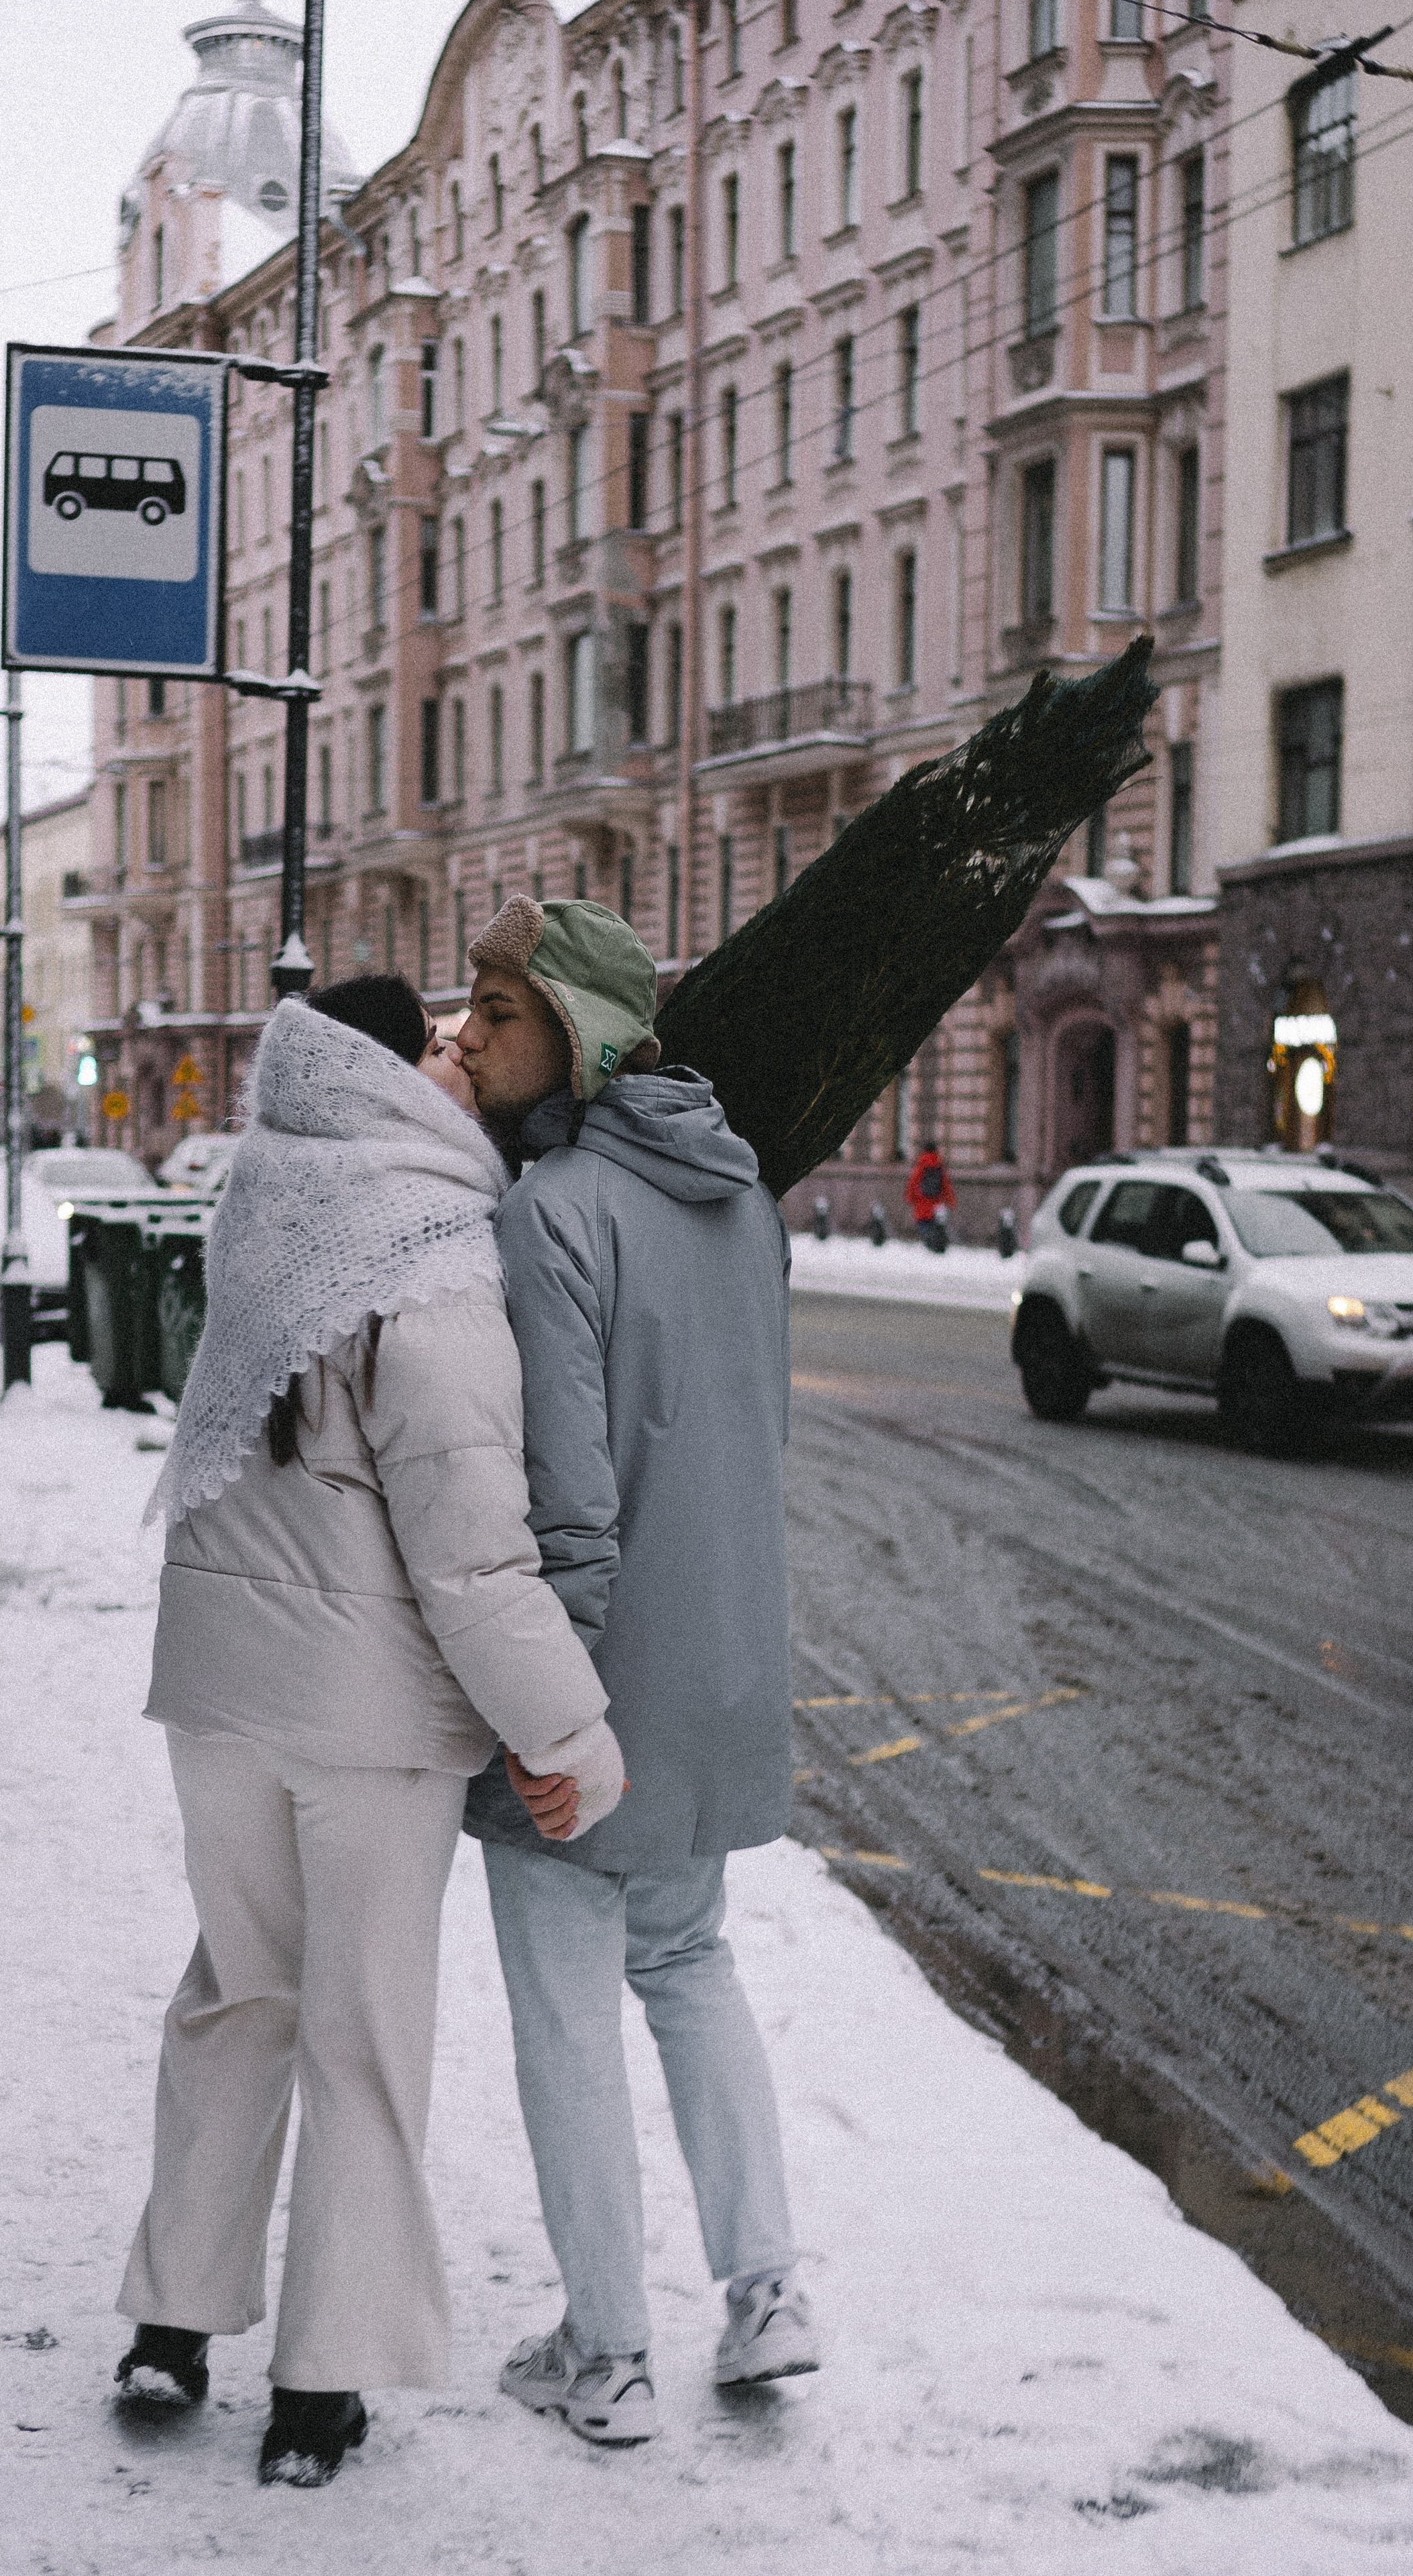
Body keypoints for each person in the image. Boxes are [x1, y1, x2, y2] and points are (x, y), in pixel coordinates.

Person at [115, 973, 622, 2488]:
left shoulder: (261, 1195)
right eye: (438, 1046)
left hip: (216, 1687)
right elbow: (471, 1550)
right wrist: (571, 1732)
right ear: (386, 1072)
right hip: (365, 1720)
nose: (462, 1063)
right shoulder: (427, 1241)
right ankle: (320, 2383)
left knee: (235, 1995)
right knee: (360, 2032)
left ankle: (168, 2324)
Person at [449, 896, 817, 2447]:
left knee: (566, 2020)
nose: (467, 1034)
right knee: (688, 1965)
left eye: (498, 1012)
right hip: (729, 1670)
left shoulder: (553, 1212)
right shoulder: (744, 1198)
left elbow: (569, 1502)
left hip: (599, 1692)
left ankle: (604, 2352)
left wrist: (553, 1716)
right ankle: (767, 2292)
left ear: (584, 1045)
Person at [904, 1139, 956, 1250]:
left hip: (922, 1202)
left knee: (922, 1225)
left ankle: (930, 1243)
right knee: (934, 1225)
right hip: (936, 1202)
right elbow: (946, 1185)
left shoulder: (921, 1164)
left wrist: (909, 1197)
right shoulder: (939, 1165)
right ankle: (936, 1244)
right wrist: (951, 1200)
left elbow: (913, 1182)